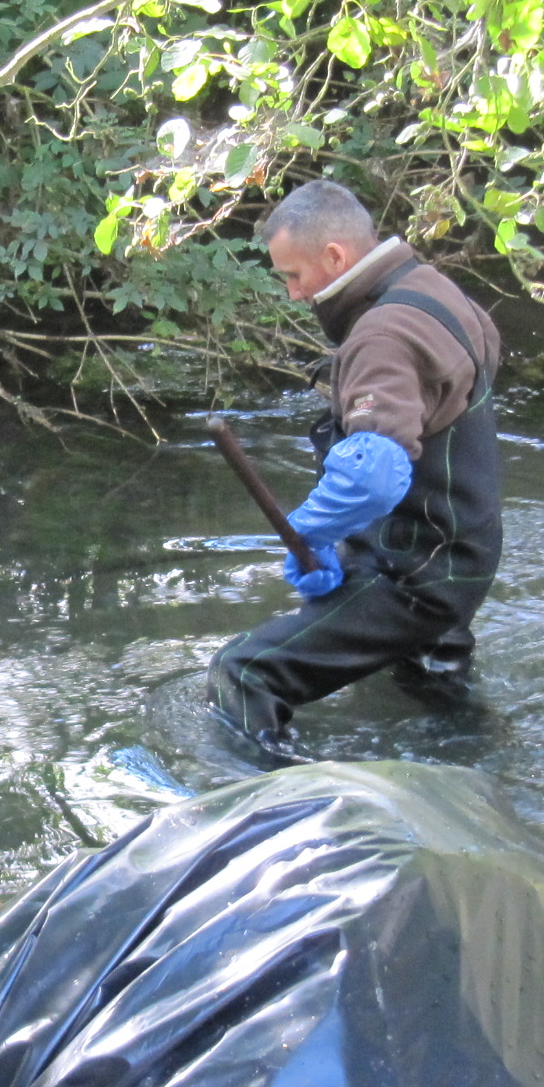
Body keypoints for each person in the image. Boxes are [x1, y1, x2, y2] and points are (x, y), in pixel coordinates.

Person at [210, 181, 502, 756]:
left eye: (293, 276)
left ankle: (275, 812)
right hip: (463, 554)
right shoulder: (437, 291)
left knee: (243, 673)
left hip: (413, 574)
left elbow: (375, 473)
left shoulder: (380, 336)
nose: (293, 294)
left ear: (335, 258)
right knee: (432, 688)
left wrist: (311, 533)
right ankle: (474, 774)